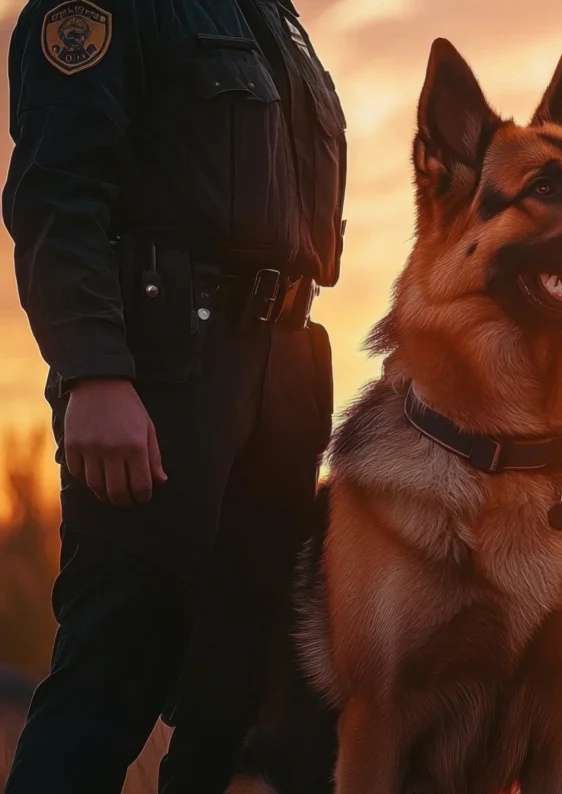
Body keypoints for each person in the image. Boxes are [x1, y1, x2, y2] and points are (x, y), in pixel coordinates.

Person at [2, 0, 346, 791]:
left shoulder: (273, 18)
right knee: (111, 673)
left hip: (286, 377)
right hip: (164, 377)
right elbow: (57, 200)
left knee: (241, 693)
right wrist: (95, 374)